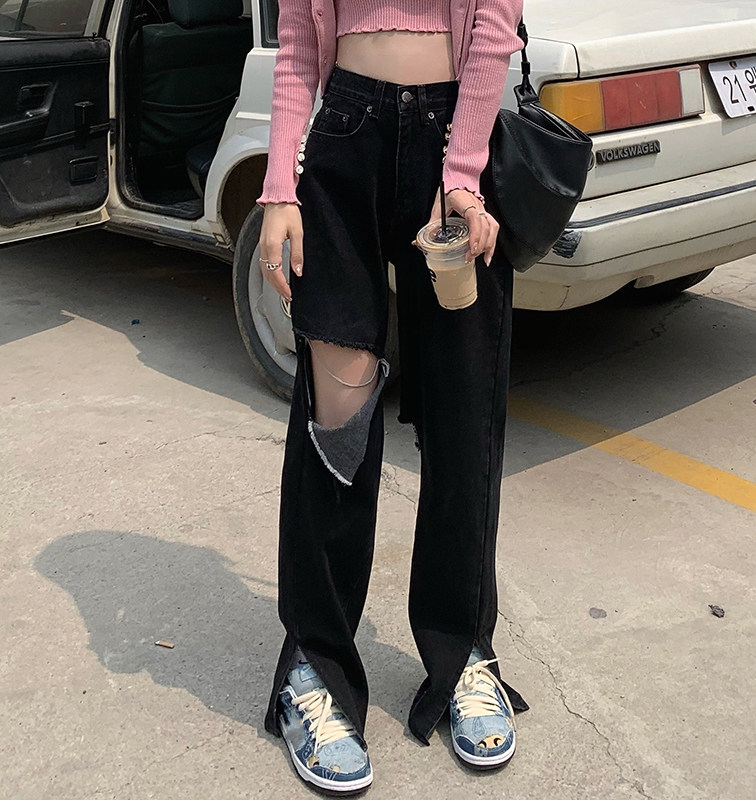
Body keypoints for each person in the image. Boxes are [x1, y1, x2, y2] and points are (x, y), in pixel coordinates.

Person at [256, 0, 528, 792]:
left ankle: (462, 651)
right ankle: (314, 667)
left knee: (464, 415)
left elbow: (494, 24)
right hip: (344, 139)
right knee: (335, 420)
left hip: (455, 142)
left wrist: (462, 175)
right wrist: (279, 186)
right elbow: (298, 41)